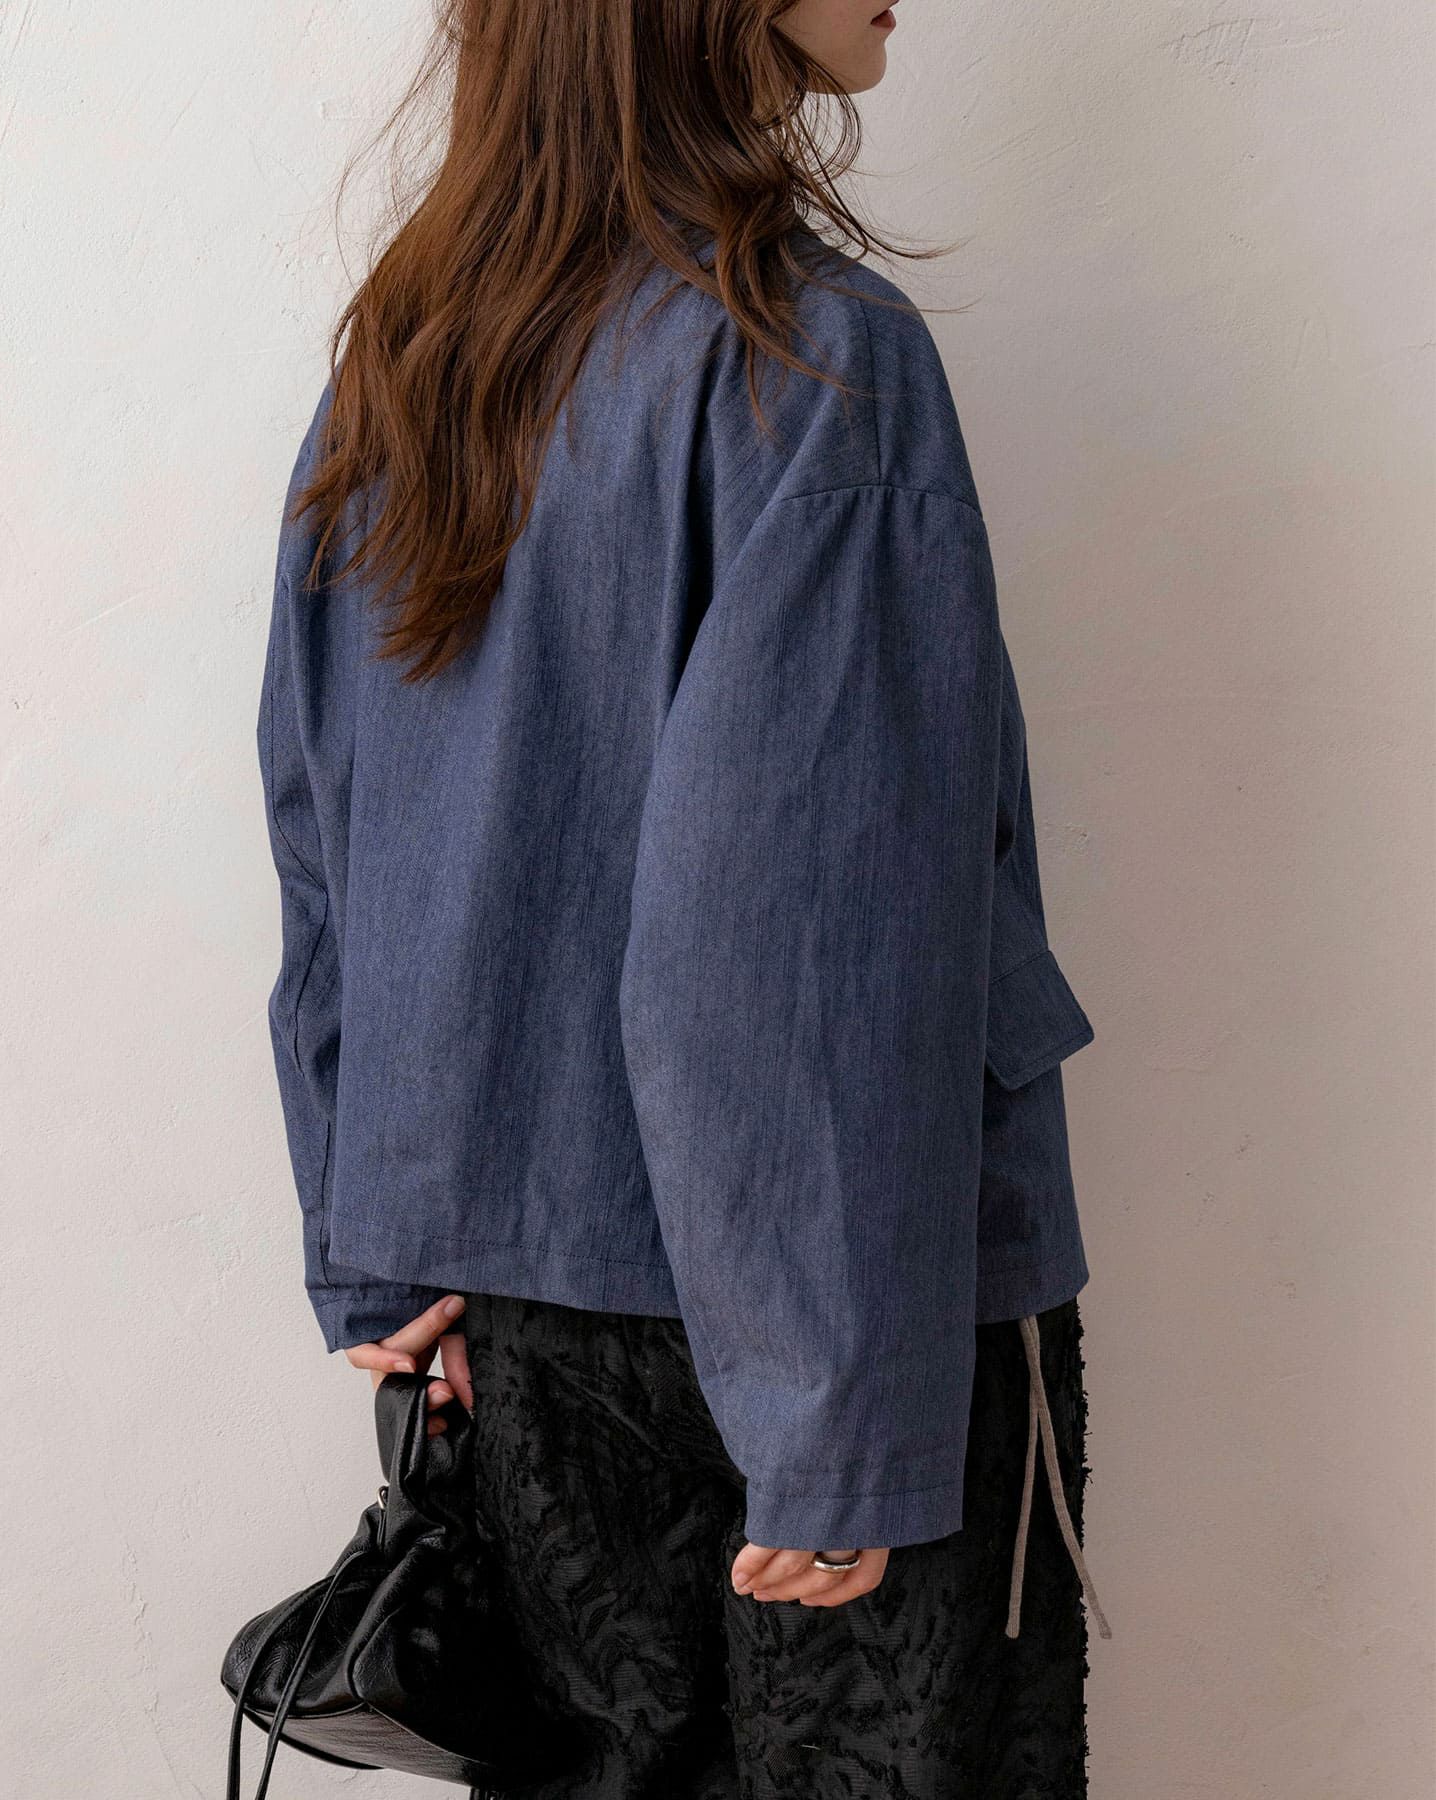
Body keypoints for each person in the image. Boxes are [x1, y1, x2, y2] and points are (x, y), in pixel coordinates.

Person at [254, 1, 1108, 1792]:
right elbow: (794, 945)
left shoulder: (410, 354)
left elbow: (327, 830)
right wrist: (838, 1418)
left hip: (512, 1317)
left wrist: (378, 1243)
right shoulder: (816, 363)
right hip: (836, 1308)